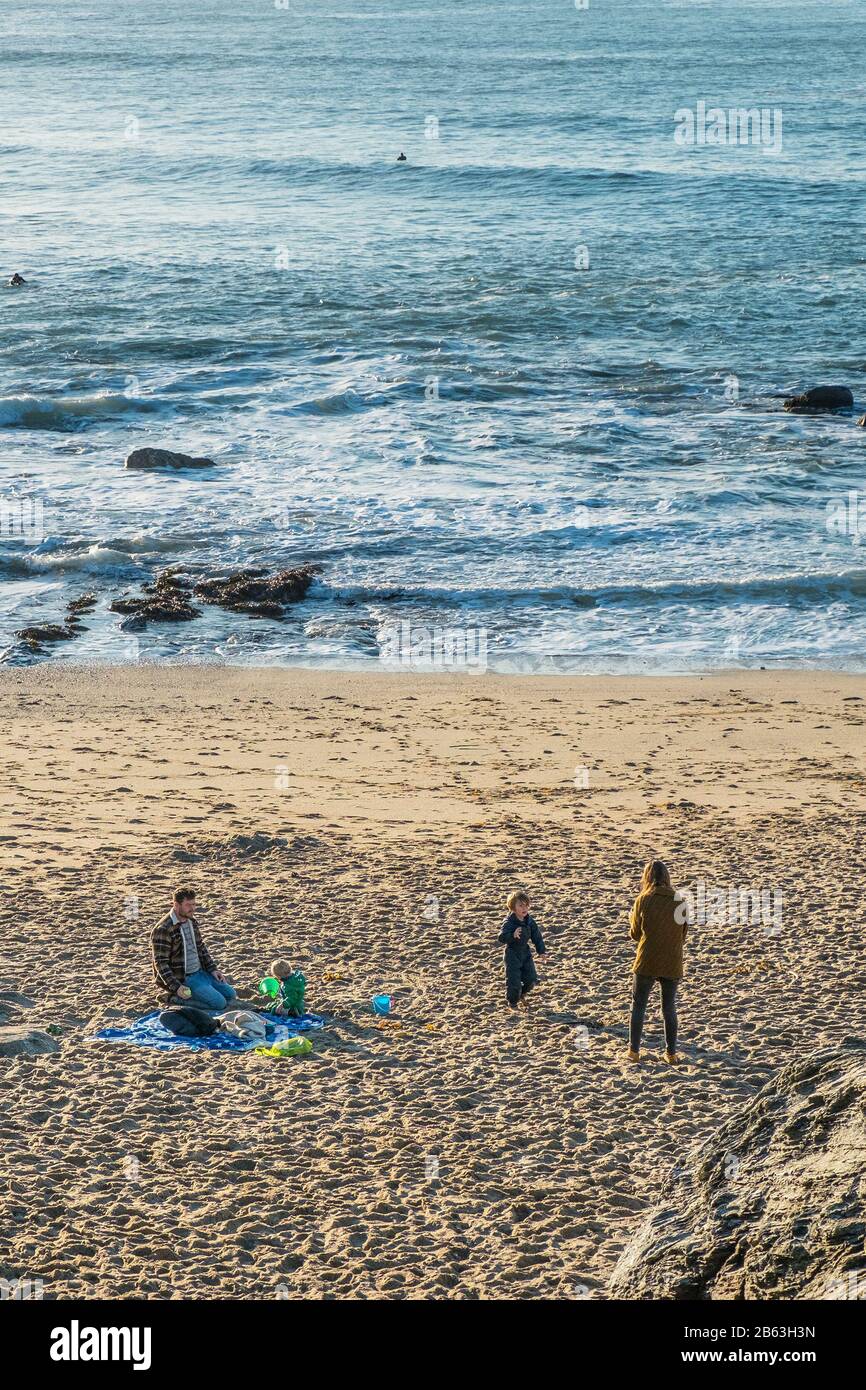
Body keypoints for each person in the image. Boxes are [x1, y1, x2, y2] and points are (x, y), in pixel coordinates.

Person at [627, 860, 687, 1064]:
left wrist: (632, 919)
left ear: (647, 878)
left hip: (647, 960)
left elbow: (635, 934)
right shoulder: (679, 901)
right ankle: (671, 1054)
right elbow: (682, 935)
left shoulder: (643, 900)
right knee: (669, 1008)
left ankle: (634, 1052)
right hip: (672, 961)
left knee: (638, 1005)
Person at [150, 887, 237, 1010]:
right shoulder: (164, 929)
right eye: (188, 905)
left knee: (231, 995)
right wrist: (176, 987)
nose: (192, 908)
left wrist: (213, 969)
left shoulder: (191, 921)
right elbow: (160, 963)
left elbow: (201, 947)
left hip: (201, 972)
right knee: (219, 1004)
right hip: (184, 979)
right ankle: (172, 998)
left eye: (194, 904)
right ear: (176, 905)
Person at [498, 888, 546, 1011]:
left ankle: (522, 994)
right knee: (513, 981)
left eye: (526, 905)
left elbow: (537, 936)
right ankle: (513, 1003)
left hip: (525, 953)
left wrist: (541, 951)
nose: (524, 908)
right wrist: (512, 935)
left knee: (531, 979)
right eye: (520, 905)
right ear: (513, 908)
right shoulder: (509, 922)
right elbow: (501, 937)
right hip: (512, 954)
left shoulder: (529, 921)